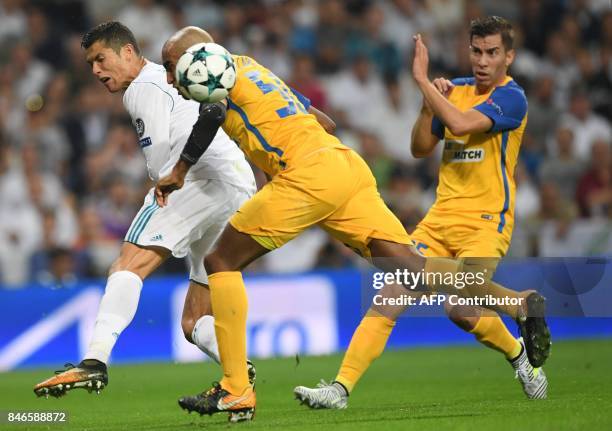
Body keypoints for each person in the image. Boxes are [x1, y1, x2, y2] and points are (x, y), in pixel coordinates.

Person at [154, 25, 550, 423]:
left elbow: (213, 113)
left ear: (199, 59)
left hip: (309, 176)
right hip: (343, 164)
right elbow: (322, 120)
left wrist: (180, 170)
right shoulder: (254, 67)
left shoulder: (214, 72)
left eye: (172, 67)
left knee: (221, 262)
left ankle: (236, 388)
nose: (171, 78)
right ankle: (516, 302)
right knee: (410, 272)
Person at [294, 17, 549, 409]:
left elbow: (463, 123)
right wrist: (426, 103)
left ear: (509, 56)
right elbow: (418, 147)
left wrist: (424, 83)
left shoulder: (512, 98)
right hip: (440, 216)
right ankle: (340, 389)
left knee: (461, 306)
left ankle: (520, 357)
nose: (482, 61)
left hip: (485, 220)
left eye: (493, 52)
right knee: (391, 292)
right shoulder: (455, 91)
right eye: (477, 51)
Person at [32, 22, 256, 398]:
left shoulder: (144, 87)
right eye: (90, 64)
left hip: (199, 178)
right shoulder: (163, 81)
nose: (96, 71)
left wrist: (166, 182)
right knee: (193, 322)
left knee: (126, 265)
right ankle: (238, 373)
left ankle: (94, 361)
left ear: (129, 53)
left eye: (101, 59)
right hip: (236, 183)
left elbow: (160, 168)